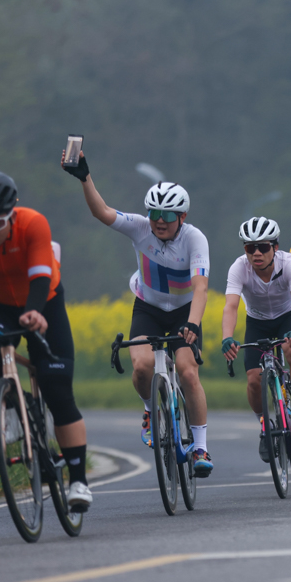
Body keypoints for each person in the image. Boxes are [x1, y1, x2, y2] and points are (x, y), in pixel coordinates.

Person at [0, 171, 92, 511]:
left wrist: (35, 313)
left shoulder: (33, 224)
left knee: (57, 389)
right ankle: (12, 403)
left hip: (45, 302)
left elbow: (40, 276)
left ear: (12, 213)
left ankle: (79, 481)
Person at [63, 149, 213, 476]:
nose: (159, 220)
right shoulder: (140, 227)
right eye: (154, 212)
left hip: (185, 311)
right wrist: (84, 177)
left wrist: (192, 323)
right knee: (142, 366)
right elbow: (101, 212)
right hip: (148, 307)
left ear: (182, 217)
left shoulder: (194, 239)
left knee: (188, 372)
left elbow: (200, 288)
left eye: (168, 215)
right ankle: (149, 410)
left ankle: (200, 447)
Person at [221, 217, 291, 462]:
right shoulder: (239, 267)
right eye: (250, 248)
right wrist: (227, 337)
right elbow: (231, 307)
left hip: (286, 318)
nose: (256, 253)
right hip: (257, 322)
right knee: (254, 380)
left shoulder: (290, 264)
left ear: (275, 246)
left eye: (263, 247)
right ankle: (265, 426)